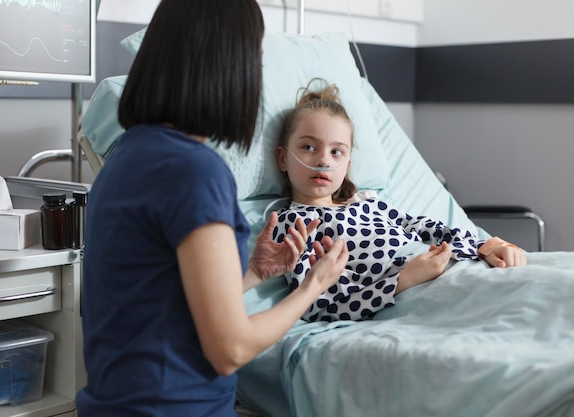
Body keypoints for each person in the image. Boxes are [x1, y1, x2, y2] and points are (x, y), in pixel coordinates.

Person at [75, 2, 350, 417]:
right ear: (228, 66)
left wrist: (253, 275)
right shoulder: (194, 171)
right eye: (255, 61)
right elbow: (230, 349)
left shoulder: (127, 155)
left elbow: (158, 302)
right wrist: (314, 285)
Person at [273, 79, 527, 323]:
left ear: (347, 165)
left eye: (336, 151)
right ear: (283, 158)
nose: (323, 161)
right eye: (308, 147)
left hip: (455, 266)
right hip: (410, 295)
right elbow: (316, 306)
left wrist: (487, 248)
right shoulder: (293, 226)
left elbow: (427, 228)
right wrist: (404, 279)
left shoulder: (368, 203)